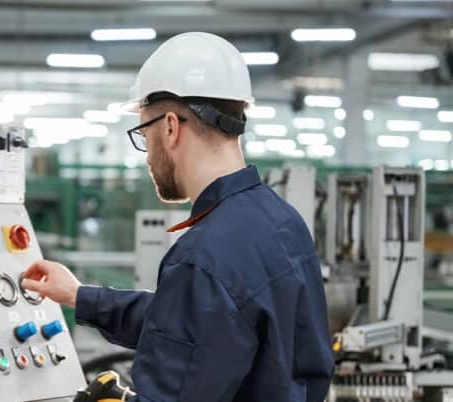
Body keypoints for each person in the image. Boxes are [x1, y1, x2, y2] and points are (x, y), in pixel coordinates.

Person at [22, 32, 334, 402]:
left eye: (144, 133)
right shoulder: (282, 221)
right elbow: (192, 323)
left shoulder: (204, 256)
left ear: (170, 127)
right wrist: (79, 296)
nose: (147, 155)